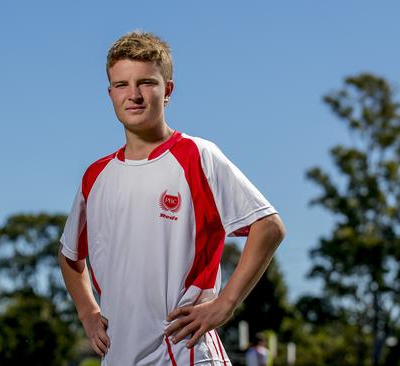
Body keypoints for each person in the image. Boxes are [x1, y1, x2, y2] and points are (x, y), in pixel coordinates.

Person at [58, 31, 286, 365]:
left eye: (146, 83)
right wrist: (87, 312)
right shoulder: (95, 176)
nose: (133, 95)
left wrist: (225, 304)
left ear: (168, 90)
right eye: (122, 85)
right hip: (118, 356)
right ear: (109, 94)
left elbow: (269, 227)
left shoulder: (197, 155)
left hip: (185, 353)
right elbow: (69, 256)